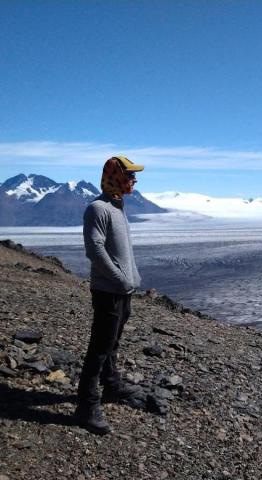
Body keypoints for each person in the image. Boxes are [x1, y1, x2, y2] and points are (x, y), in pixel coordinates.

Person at [75, 155, 144, 435]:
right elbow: (95, 250)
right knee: (100, 348)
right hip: (109, 291)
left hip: (122, 290)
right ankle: (86, 406)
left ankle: (112, 384)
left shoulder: (118, 205)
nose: (134, 180)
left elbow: (122, 250)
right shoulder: (98, 208)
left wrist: (132, 278)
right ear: (114, 177)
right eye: (129, 176)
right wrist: (119, 279)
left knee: (112, 342)